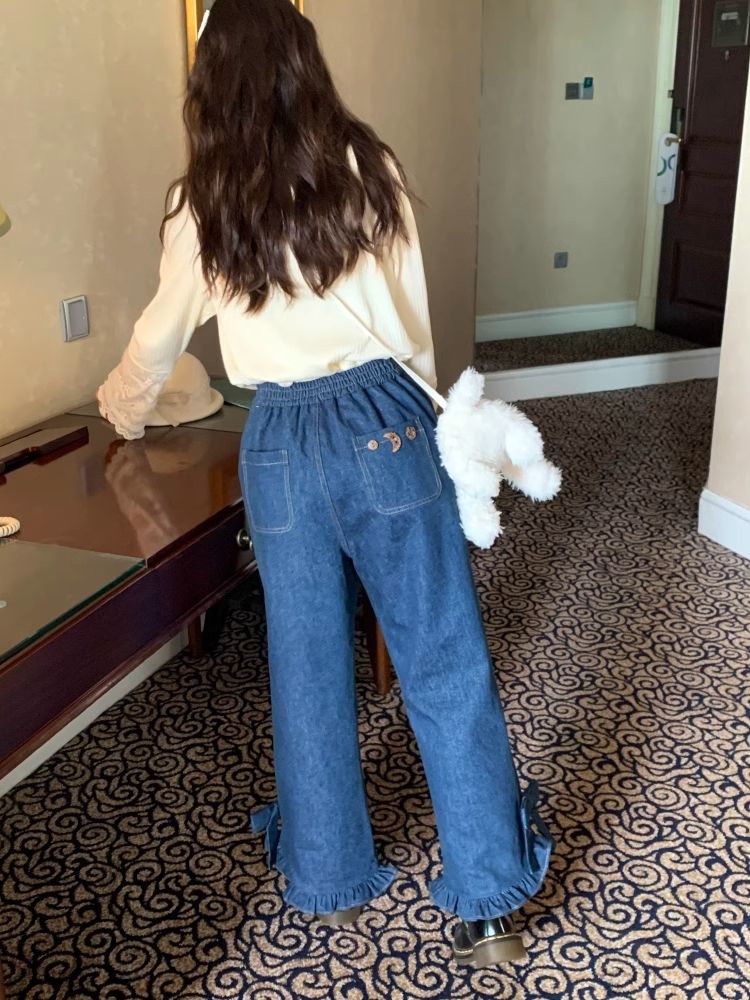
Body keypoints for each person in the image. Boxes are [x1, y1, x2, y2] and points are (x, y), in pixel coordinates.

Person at [97, 0, 553, 970]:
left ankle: (330, 878)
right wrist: (430, 434)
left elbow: (157, 337)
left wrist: (121, 411)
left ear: (210, 83)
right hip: (385, 416)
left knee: (304, 668)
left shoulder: (201, 202)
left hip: (279, 442)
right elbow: (414, 330)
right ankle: (488, 908)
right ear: (304, 61)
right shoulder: (367, 166)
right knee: (443, 656)